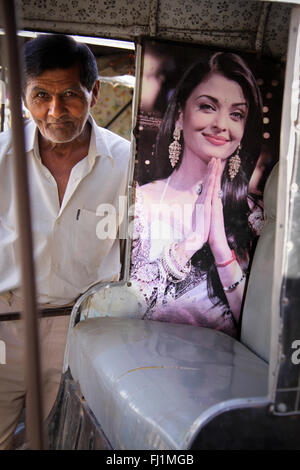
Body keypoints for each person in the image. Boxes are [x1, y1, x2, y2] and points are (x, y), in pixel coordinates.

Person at [0, 34, 131, 449]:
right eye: (40, 95)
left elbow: (137, 256)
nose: (55, 111)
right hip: (4, 323)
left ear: (94, 92)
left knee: (54, 440)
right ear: (21, 96)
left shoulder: (127, 163)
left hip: (78, 327)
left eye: (70, 95)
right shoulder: (0, 157)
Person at [130, 51, 264, 337]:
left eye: (236, 114)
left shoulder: (253, 215)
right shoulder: (142, 203)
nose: (222, 125)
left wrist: (220, 248)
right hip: (143, 364)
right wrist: (190, 243)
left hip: (223, 373)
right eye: (207, 107)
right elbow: (127, 307)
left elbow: (261, 327)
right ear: (180, 114)